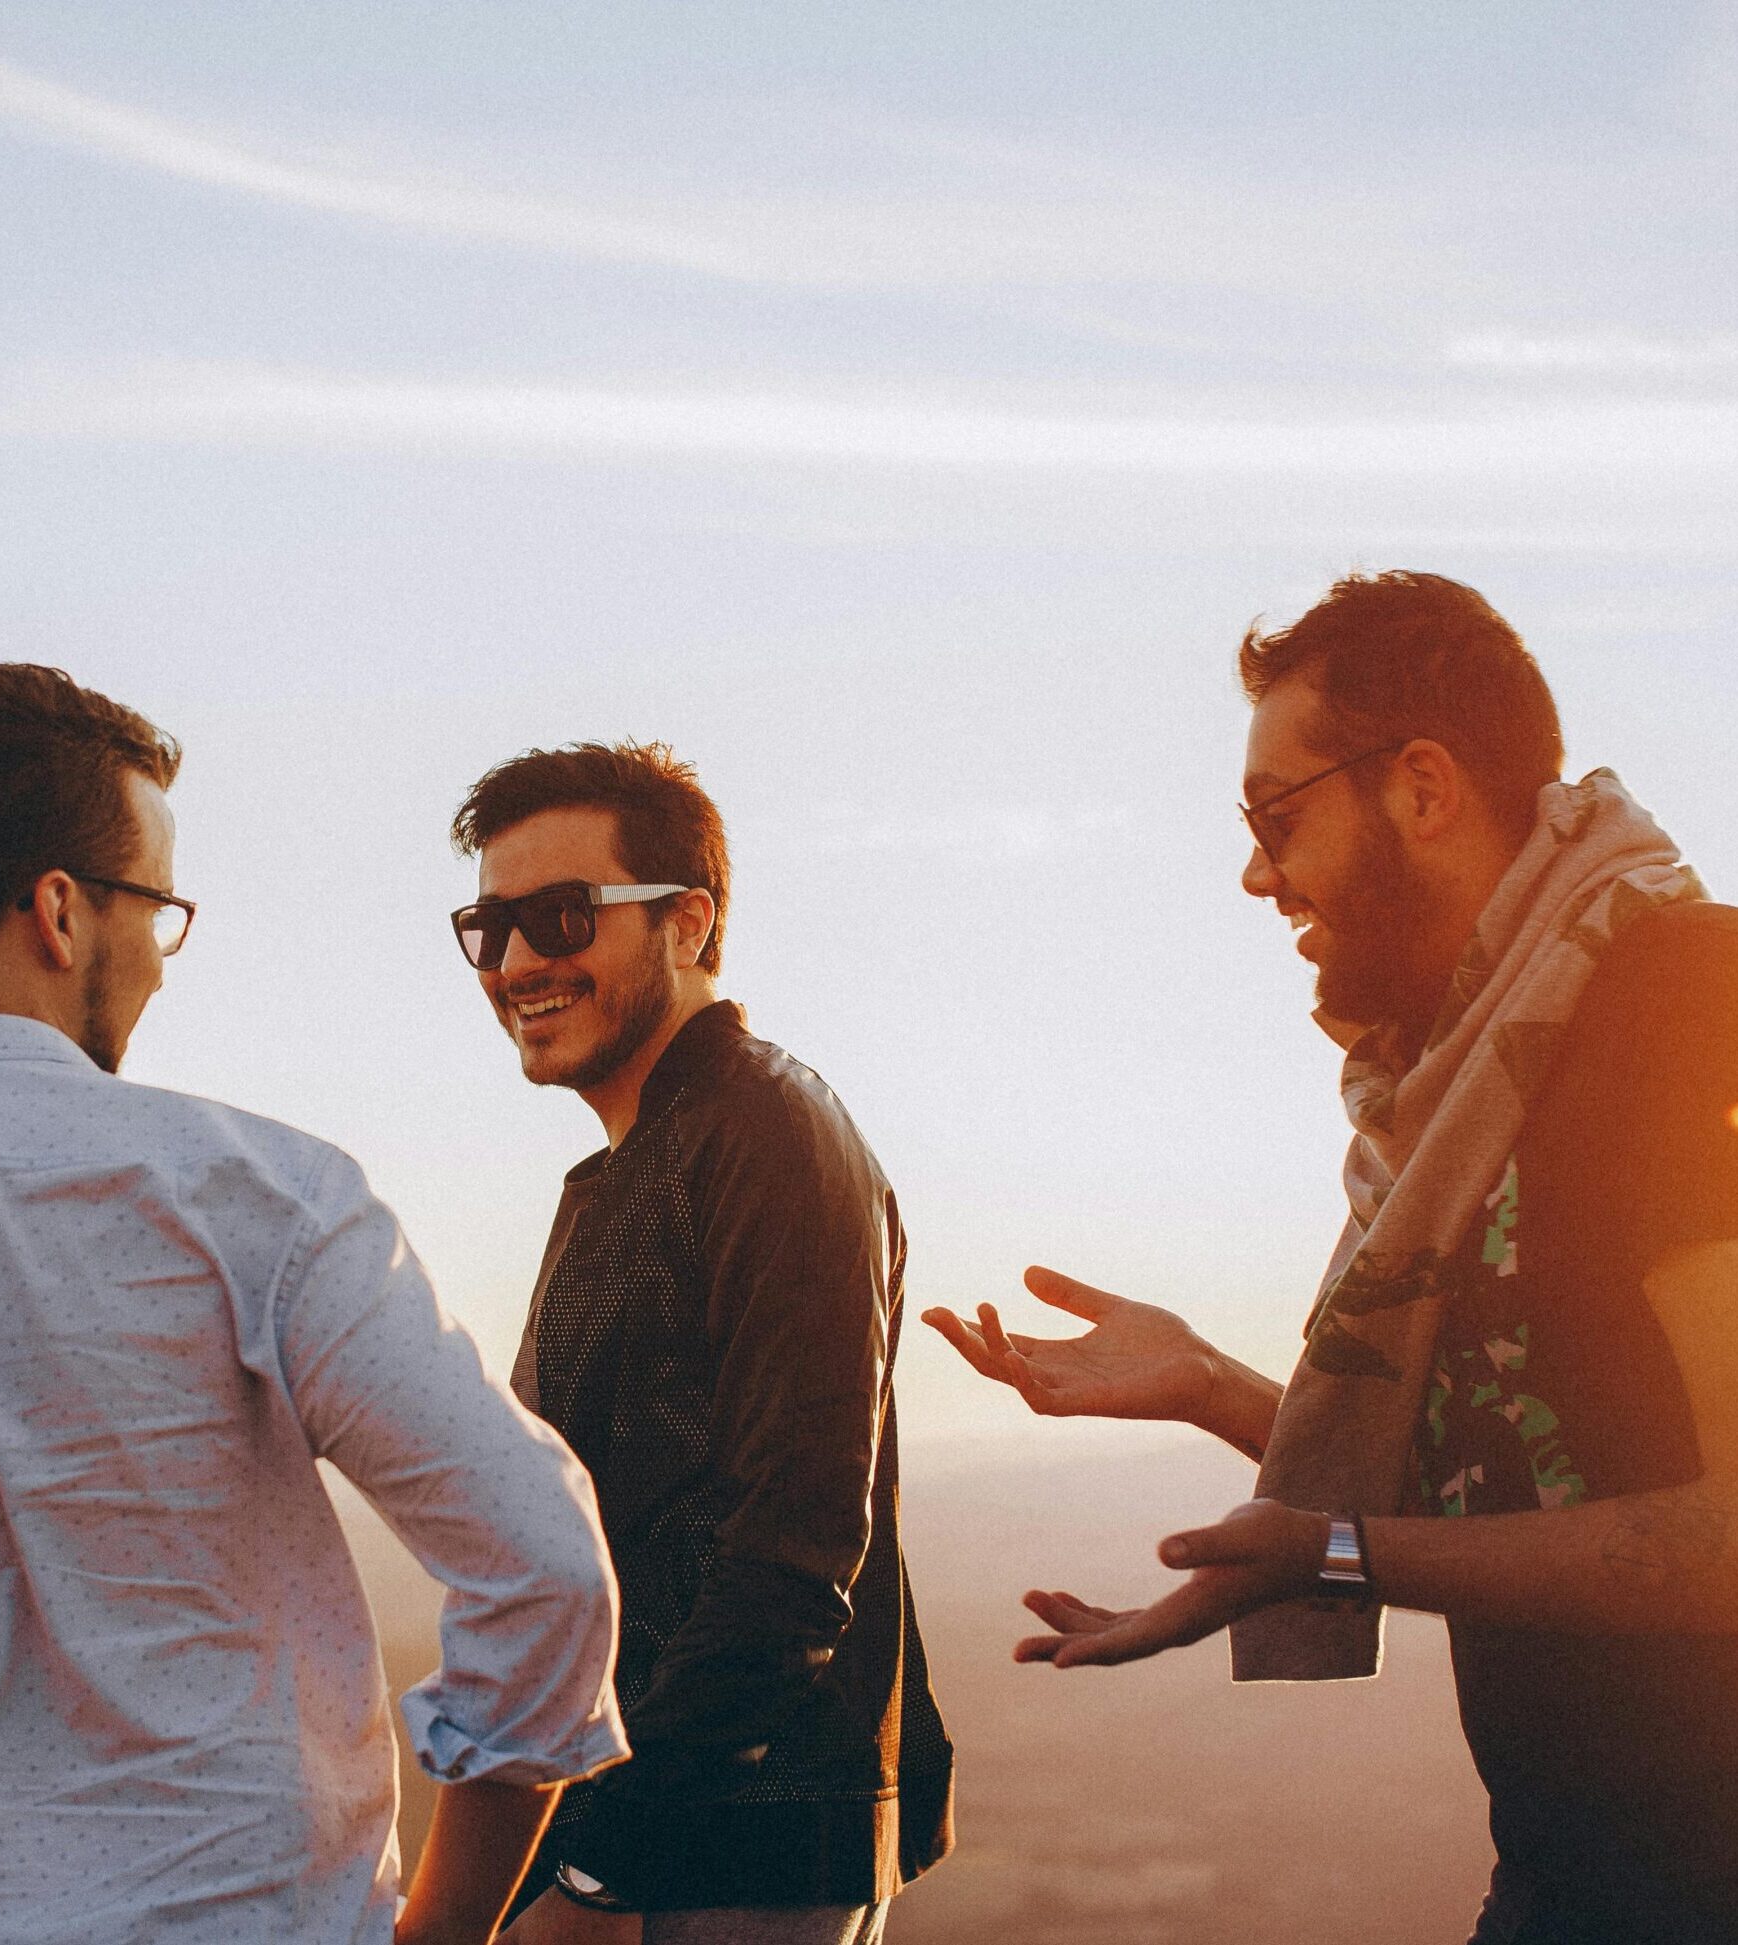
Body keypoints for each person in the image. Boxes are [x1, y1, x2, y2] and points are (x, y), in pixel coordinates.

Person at [925, 572, 1738, 1945]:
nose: (1257, 873)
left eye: (1275, 817)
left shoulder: (1681, 995)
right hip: (1566, 1875)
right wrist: (1211, 1386)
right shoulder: (1461, 1085)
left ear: (1420, 787)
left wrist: (1335, 1553)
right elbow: (1515, 1482)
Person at [0, 666, 628, 1945]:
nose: (158, 966)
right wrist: (446, 1930)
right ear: (58, 911)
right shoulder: (256, 1196)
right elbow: (544, 1566)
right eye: (156, 909)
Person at [448, 741, 953, 1945]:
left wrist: (603, 1876)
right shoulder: (632, 1168)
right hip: (642, 1834)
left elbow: (793, 1545)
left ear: (688, 922)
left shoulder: (767, 1130)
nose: (515, 963)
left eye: (560, 917)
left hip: (729, 1851)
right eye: (488, 927)